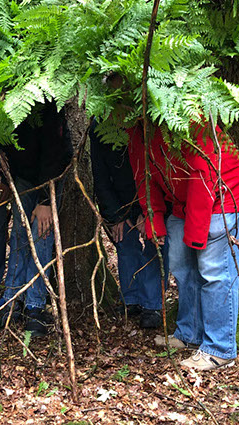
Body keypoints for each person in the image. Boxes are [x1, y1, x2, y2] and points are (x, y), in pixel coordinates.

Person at [128, 123, 239, 370]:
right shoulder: (135, 127)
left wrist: (196, 235)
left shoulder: (188, 118)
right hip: (183, 202)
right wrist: (155, 221)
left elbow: (202, 173)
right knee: (182, 266)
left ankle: (220, 349)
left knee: (214, 272)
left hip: (222, 196)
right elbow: (143, 176)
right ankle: (189, 333)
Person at [0, 100, 73, 337]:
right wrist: (5, 179)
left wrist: (45, 201)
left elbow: (55, 153)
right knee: (20, 234)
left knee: (41, 234)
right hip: (22, 174)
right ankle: (11, 301)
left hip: (49, 175)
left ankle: (35, 306)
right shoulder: (5, 99)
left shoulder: (48, 105)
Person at [89, 119, 165, 329]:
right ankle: (131, 300)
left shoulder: (143, 119)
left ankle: (152, 304)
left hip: (151, 195)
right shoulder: (99, 126)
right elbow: (100, 177)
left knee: (154, 243)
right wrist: (116, 215)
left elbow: (153, 168)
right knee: (124, 240)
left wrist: (147, 211)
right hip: (120, 197)